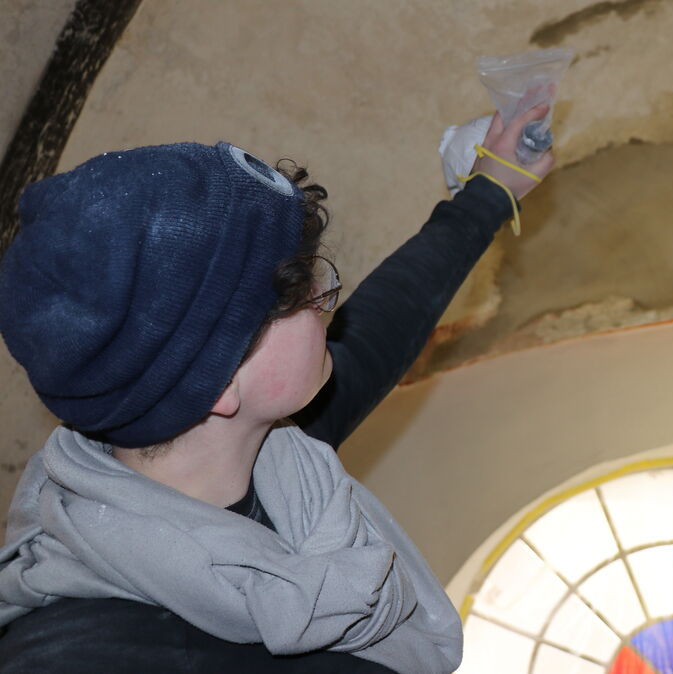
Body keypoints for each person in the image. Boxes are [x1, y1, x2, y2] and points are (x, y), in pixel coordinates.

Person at [0, 104, 554, 672]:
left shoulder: (281, 463)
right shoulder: (83, 656)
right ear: (216, 382)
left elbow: (386, 324)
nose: (325, 300)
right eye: (299, 297)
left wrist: (490, 188)